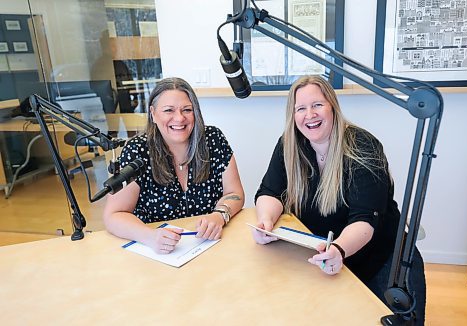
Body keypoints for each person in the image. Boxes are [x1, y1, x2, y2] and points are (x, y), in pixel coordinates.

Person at [252, 75, 426, 324]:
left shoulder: (362, 146)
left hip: (380, 259)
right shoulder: (290, 144)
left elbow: (366, 220)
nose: (309, 114)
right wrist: (265, 222)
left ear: (333, 106)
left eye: (317, 105)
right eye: (300, 108)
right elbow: (270, 191)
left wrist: (339, 250)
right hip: (324, 258)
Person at [104, 77, 244, 254]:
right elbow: (114, 215)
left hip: (208, 247)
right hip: (159, 253)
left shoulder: (213, 139)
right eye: (168, 110)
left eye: (187, 110)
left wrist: (220, 215)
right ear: (153, 114)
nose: (179, 118)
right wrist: (149, 236)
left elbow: (234, 193)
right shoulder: (137, 150)